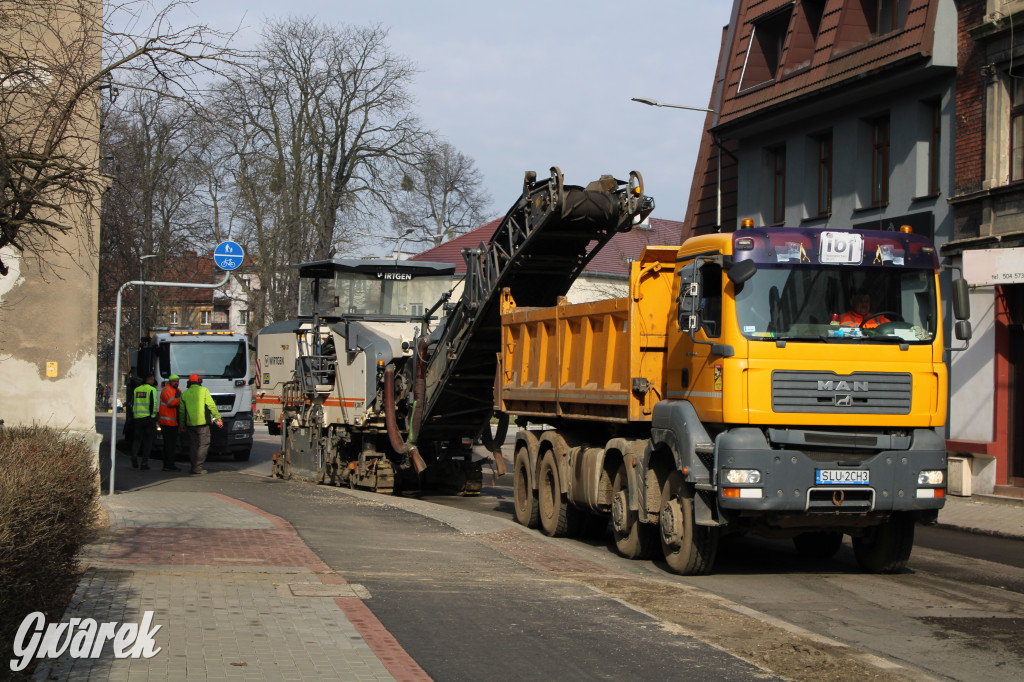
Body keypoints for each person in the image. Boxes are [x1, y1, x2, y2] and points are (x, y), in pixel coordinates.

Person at [179, 374, 223, 475]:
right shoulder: (204, 391)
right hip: (203, 424)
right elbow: (211, 405)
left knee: (194, 445)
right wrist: (218, 417)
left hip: (190, 424)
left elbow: (182, 412)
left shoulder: (184, 394)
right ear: (199, 381)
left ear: (189, 382)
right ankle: (198, 467)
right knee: (203, 445)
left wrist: (182, 424)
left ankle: (193, 466)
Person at [130, 375, 158, 470]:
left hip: (137, 418)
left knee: (137, 440)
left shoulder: (136, 390)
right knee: (148, 442)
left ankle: (134, 454)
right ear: (149, 380)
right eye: (153, 379)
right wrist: (153, 416)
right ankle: (144, 463)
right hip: (148, 419)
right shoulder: (152, 390)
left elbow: (133, 403)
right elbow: (153, 404)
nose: (154, 381)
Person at [158, 375, 182, 472]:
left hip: (174, 422)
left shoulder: (178, 391)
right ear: (170, 382)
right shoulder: (166, 390)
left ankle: (170, 464)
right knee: (168, 445)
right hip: (166, 422)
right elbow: (170, 403)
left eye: (177, 381)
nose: (176, 383)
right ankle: (168, 465)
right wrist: (180, 399)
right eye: (174, 381)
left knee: (171, 445)